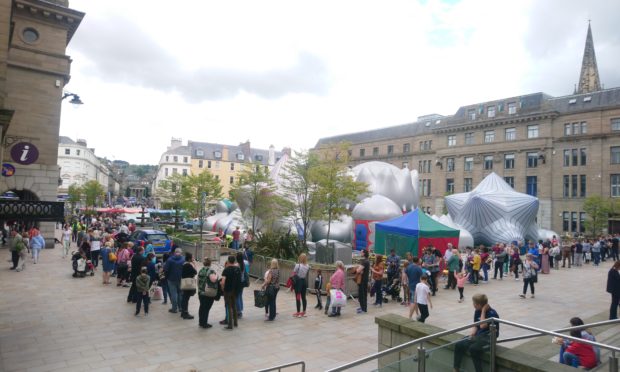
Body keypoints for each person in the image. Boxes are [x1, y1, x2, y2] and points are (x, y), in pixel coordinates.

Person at [453, 294, 500, 372]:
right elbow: (476, 325)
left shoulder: (492, 313)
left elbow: (482, 326)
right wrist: (471, 334)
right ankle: (456, 369)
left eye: (474, 303)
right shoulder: (477, 310)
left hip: (488, 339)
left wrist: (483, 311)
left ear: (479, 305)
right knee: (459, 344)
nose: (473, 305)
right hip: (479, 336)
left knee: (473, 349)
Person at [220, 255, 241, 329]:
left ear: (228, 261)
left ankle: (230, 325)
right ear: (234, 261)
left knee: (229, 307)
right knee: (234, 306)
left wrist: (222, 288)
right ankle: (235, 323)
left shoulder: (226, 270)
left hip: (228, 290)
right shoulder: (238, 269)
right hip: (235, 290)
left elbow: (223, 282)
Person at [198, 257, 217, 328]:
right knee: (206, 308)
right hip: (208, 292)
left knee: (202, 307)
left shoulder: (201, 270)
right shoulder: (211, 271)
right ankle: (204, 323)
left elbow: (198, 281)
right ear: (210, 263)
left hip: (201, 292)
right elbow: (214, 280)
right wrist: (217, 275)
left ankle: (201, 322)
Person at [163, 248, 185, 313]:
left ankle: (174, 308)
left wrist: (166, 277)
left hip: (171, 279)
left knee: (173, 294)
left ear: (174, 252)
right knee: (180, 293)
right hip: (181, 279)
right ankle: (180, 307)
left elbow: (166, 270)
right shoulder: (183, 259)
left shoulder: (170, 260)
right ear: (181, 253)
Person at [180, 252, 197, 320]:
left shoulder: (184, 264)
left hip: (184, 282)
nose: (193, 259)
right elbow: (195, 272)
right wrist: (194, 264)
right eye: (192, 257)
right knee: (186, 298)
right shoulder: (188, 265)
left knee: (184, 297)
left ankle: (183, 312)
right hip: (188, 283)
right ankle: (185, 313)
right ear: (190, 259)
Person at [292, 253, 310, 317]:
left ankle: (298, 312)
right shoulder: (308, 266)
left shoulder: (298, 265)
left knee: (298, 297)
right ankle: (304, 311)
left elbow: (293, 273)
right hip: (304, 282)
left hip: (298, 283)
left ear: (300, 258)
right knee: (303, 297)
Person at [235, 251, 248, 318]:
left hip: (238, 283)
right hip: (242, 282)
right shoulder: (243, 264)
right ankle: (240, 310)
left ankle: (238, 311)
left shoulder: (237, 265)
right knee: (240, 296)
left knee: (237, 296)